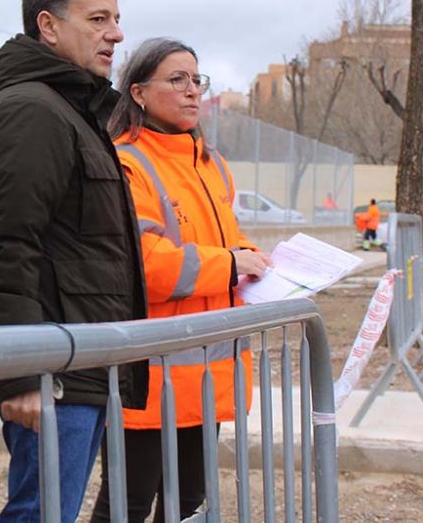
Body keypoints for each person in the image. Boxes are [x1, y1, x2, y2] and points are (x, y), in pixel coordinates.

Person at [0, 0, 148, 522]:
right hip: (54, 372)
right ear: (48, 26)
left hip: (82, 362)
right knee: (41, 515)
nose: (116, 34)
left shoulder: (74, 111)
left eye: (116, 19)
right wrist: (21, 371)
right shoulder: (32, 111)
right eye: (98, 18)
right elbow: (6, 247)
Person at [89, 39, 272, 523]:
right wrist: (232, 265)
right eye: (177, 79)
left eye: (197, 79)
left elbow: (227, 240)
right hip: (147, 378)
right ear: (139, 93)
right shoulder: (126, 163)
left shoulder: (211, 165)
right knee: (126, 507)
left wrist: (251, 257)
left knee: (189, 506)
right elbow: (144, 264)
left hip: (206, 378)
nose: (192, 91)